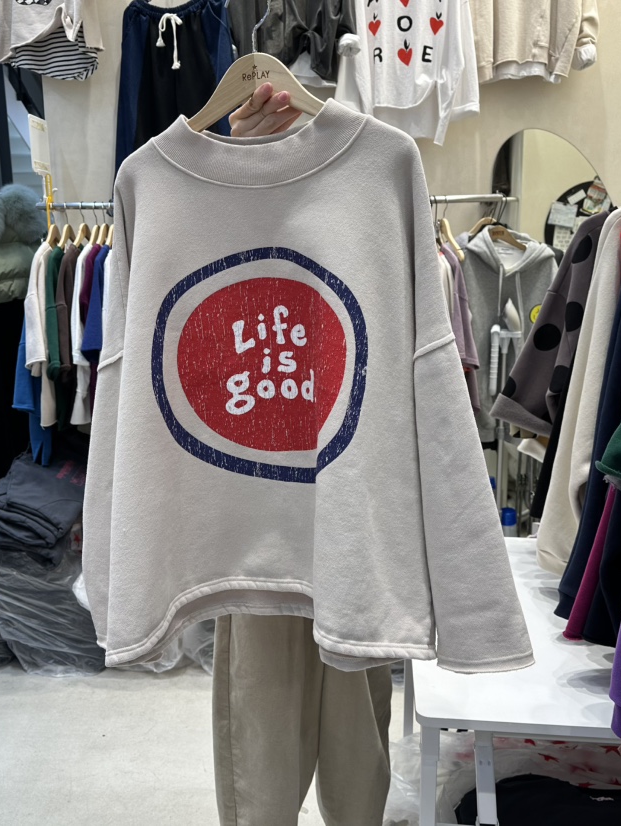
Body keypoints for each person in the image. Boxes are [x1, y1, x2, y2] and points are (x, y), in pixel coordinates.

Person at [211, 83, 394, 826]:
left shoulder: (378, 173)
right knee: (263, 702)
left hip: (352, 491)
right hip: (255, 499)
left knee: (351, 701)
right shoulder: (201, 190)